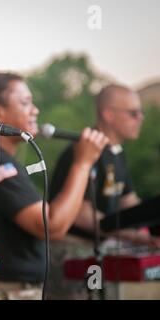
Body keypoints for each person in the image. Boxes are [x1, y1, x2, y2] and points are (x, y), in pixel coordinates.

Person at [0, 72, 108, 300]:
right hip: (5, 290)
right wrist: (82, 164)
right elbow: (52, 226)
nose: (35, 110)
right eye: (25, 103)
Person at [51, 84, 160, 246]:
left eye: (141, 112)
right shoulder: (83, 150)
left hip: (103, 243)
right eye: (134, 113)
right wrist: (136, 237)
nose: (141, 118)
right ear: (108, 114)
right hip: (74, 248)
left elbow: (128, 201)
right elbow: (81, 215)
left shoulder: (117, 152)